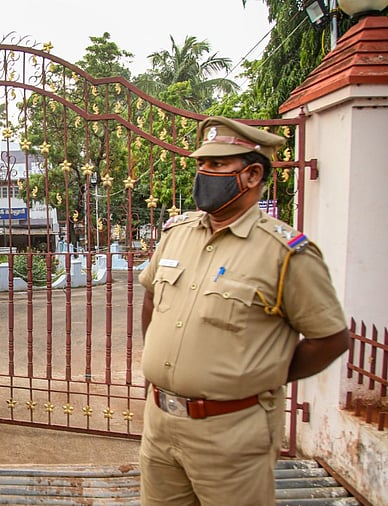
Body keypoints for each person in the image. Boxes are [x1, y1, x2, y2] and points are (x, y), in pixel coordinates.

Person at [138, 116, 350, 505]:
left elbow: (331, 338)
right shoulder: (176, 234)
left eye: (217, 165)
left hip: (232, 430)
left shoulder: (285, 253)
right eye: (202, 164)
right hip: (161, 423)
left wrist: (263, 372)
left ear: (252, 175)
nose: (204, 173)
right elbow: (151, 296)